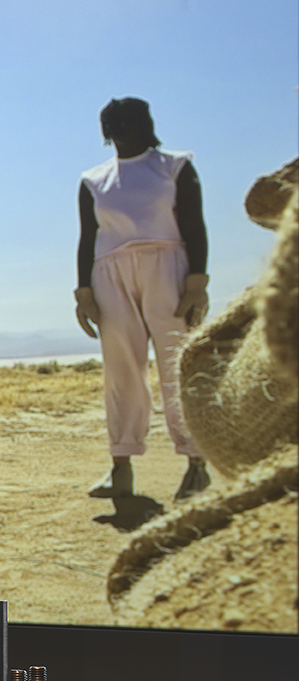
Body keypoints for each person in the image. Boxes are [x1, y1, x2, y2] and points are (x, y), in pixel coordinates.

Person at [74, 97, 211, 503]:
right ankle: (120, 466)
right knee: (121, 371)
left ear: (146, 124)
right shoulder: (93, 180)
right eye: (117, 124)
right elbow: (87, 238)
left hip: (168, 268)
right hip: (110, 275)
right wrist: (84, 293)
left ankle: (197, 464)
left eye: (133, 121)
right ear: (107, 131)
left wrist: (197, 283)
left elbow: (194, 224)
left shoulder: (175, 167)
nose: (125, 130)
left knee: (178, 362)